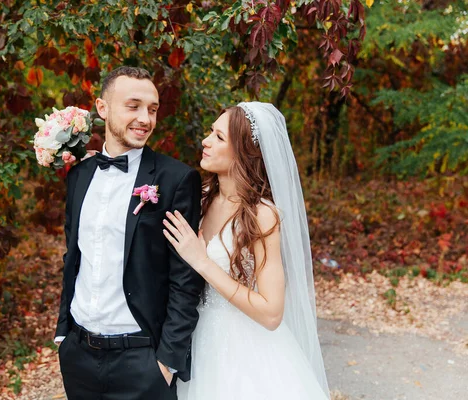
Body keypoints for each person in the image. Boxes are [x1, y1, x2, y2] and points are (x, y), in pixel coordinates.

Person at [54, 66, 204, 399]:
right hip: (78, 355)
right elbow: (73, 256)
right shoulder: (79, 175)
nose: (146, 119)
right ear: (102, 108)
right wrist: (63, 335)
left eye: (152, 109)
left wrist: (166, 363)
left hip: (142, 361)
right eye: (133, 106)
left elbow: (186, 277)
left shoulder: (175, 179)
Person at [163, 102, 331, 399]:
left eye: (218, 137)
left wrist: (203, 263)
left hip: (244, 349)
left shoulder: (262, 215)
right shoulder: (199, 199)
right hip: (193, 340)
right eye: (210, 133)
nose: (205, 141)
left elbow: (271, 313)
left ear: (242, 152)